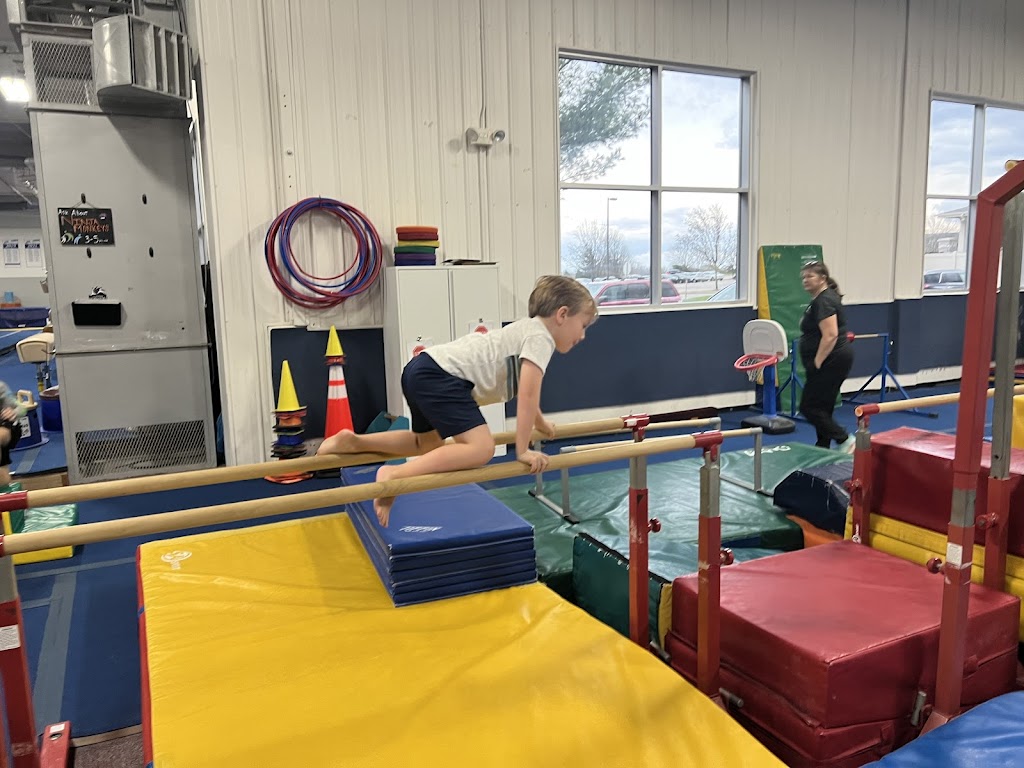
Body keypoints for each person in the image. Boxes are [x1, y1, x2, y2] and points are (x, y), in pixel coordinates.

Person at [318, 275, 598, 526]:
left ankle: (352, 442)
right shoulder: (541, 338)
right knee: (481, 448)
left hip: (422, 368)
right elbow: (527, 395)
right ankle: (395, 475)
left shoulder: (527, 330)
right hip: (442, 376)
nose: (583, 335)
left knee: (425, 445)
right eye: (583, 325)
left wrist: (541, 423)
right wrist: (522, 450)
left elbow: (528, 393)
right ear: (562, 314)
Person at [798, 261, 855, 452]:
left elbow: (830, 335)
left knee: (809, 407)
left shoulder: (824, 301)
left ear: (822, 278)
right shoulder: (821, 299)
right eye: (803, 277)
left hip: (830, 360)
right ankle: (823, 445)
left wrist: (817, 362)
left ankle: (845, 440)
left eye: (810, 276)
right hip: (834, 359)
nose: (805, 280)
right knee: (823, 405)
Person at [0, 381, 24, 488]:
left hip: (7, 426)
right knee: (3, 478)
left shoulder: (1, 387)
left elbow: (22, 408)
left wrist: (14, 412)